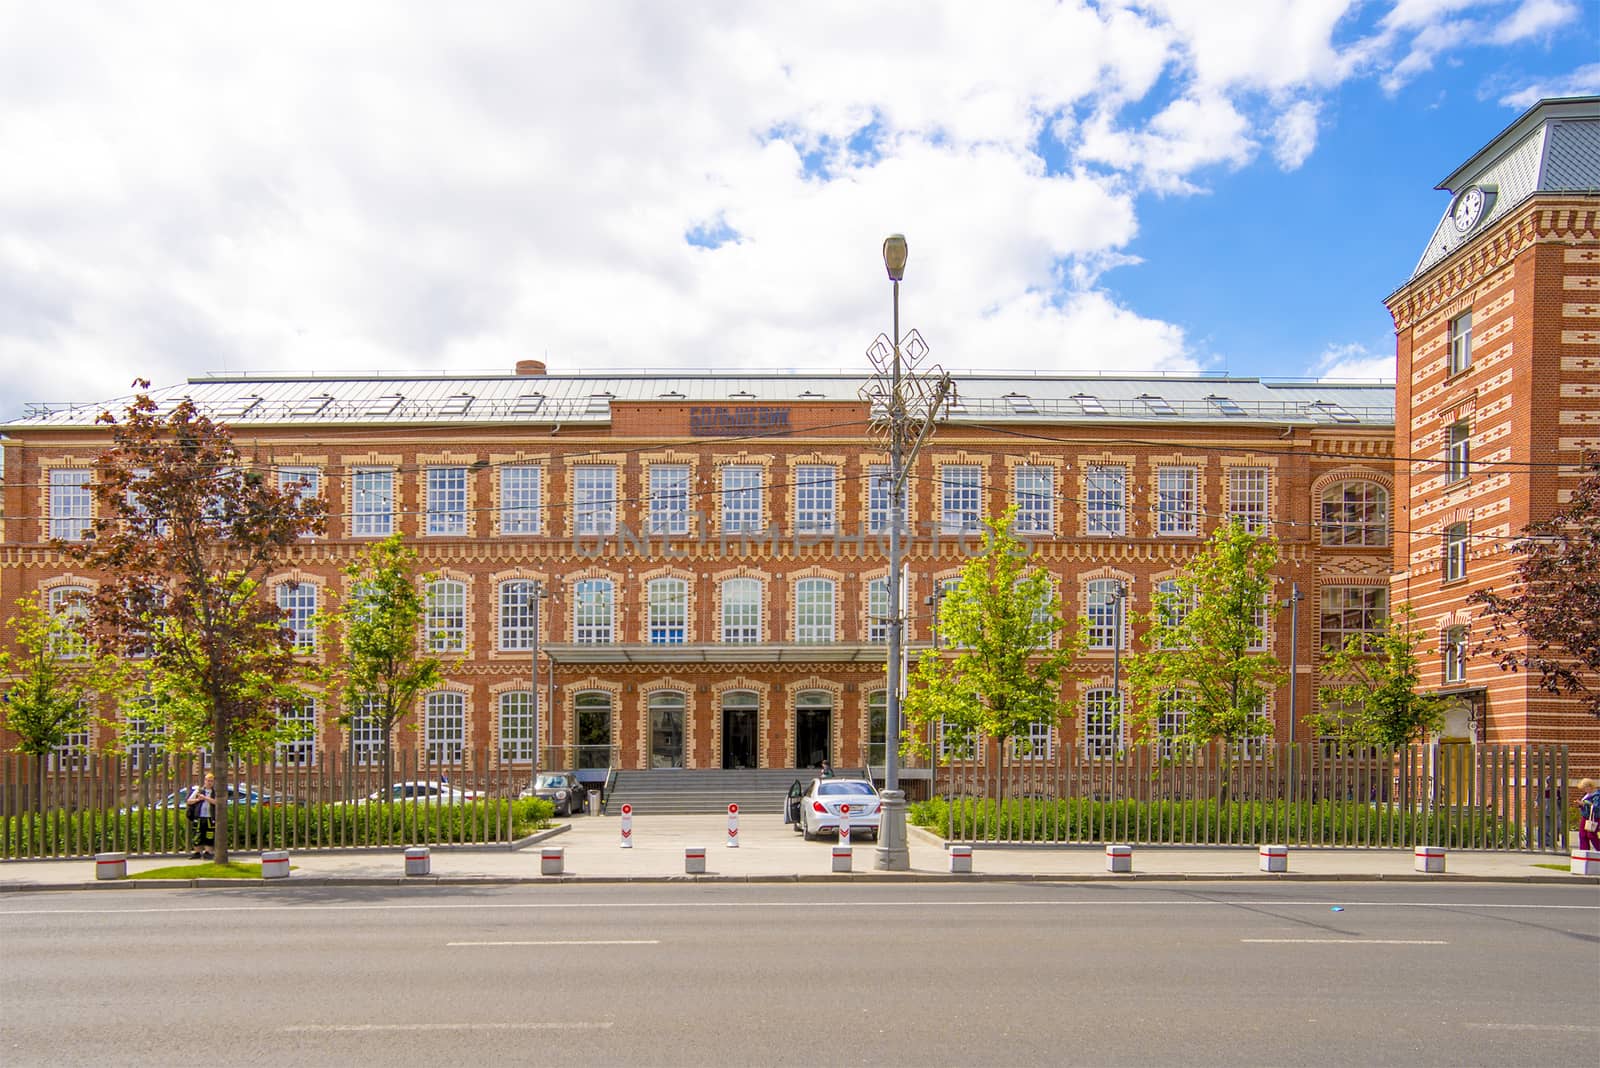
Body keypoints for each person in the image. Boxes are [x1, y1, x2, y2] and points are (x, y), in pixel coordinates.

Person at [188, 774, 217, 860]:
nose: (209, 783)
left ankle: (208, 852)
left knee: (209, 835)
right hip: (199, 817)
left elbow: (217, 802)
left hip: (210, 817)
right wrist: (197, 799)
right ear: (205, 781)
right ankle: (197, 852)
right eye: (208, 780)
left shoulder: (214, 792)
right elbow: (189, 801)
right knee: (197, 834)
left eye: (211, 781)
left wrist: (205, 798)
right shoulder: (198, 791)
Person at [1578, 779, 1600, 852]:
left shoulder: (1597, 795)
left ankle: (1599, 849)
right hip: (1585, 816)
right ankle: (1584, 852)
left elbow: (1596, 807)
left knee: (1591, 835)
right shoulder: (1587, 795)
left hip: (1593, 817)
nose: (1584, 790)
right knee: (1582, 835)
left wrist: (1584, 804)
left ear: (1590, 786)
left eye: (1585, 788)